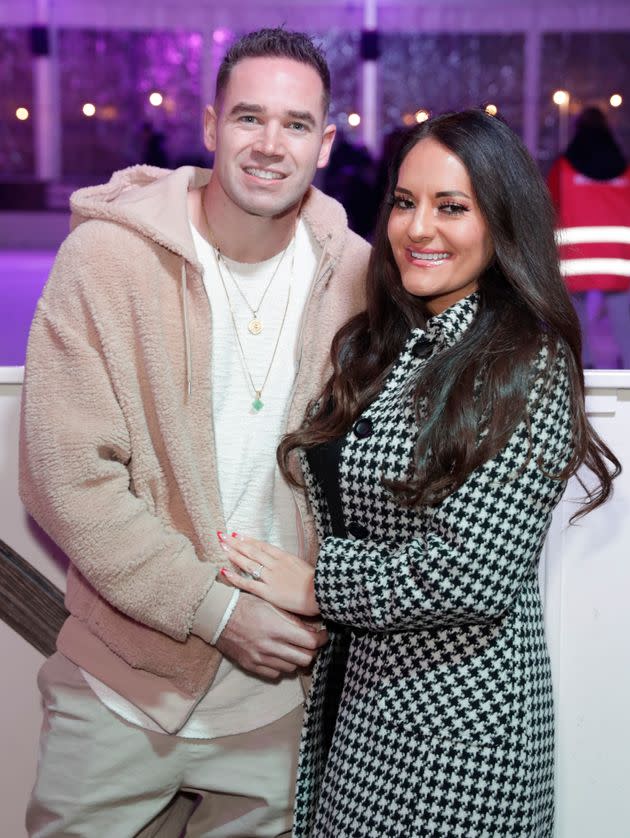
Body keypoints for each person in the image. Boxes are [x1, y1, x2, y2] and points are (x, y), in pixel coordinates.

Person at [217, 110, 621, 837]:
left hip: (456, 745)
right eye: (405, 202)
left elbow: (472, 573)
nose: (418, 228)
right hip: (371, 710)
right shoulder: (402, 339)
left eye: (452, 207)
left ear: (502, 224)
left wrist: (316, 584)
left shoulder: (523, 359)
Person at [19, 28, 370, 837]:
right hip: (121, 690)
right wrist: (215, 611)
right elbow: (65, 477)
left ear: (324, 142)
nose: (269, 145)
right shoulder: (107, 260)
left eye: (295, 124)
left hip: (279, 707)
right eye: (249, 118)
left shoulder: (354, 276)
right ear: (211, 126)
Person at [547, 106, 630, 368]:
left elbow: (549, 206)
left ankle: (583, 369)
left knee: (577, 323)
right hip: (620, 263)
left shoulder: (563, 167)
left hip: (576, 262)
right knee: (624, 323)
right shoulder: (625, 168)